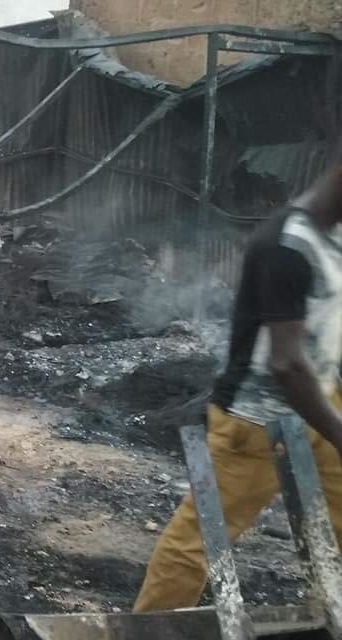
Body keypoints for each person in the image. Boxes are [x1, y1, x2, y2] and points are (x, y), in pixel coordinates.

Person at [134, 163, 342, 611]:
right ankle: (150, 627)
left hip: (321, 401)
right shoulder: (285, 246)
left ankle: (329, 615)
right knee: (196, 546)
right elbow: (285, 363)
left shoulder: (334, 236)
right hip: (258, 421)